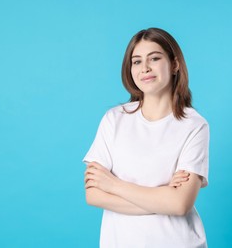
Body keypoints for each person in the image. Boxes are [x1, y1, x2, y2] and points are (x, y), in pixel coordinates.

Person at [83, 27, 210, 248]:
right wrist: (163, 197)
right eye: (137, 61)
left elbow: (180, 204)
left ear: (175, 64)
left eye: (155, 58)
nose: (145, 68)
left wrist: (112, 184)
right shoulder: (114, 119)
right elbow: (93, 195)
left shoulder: (194, 125)